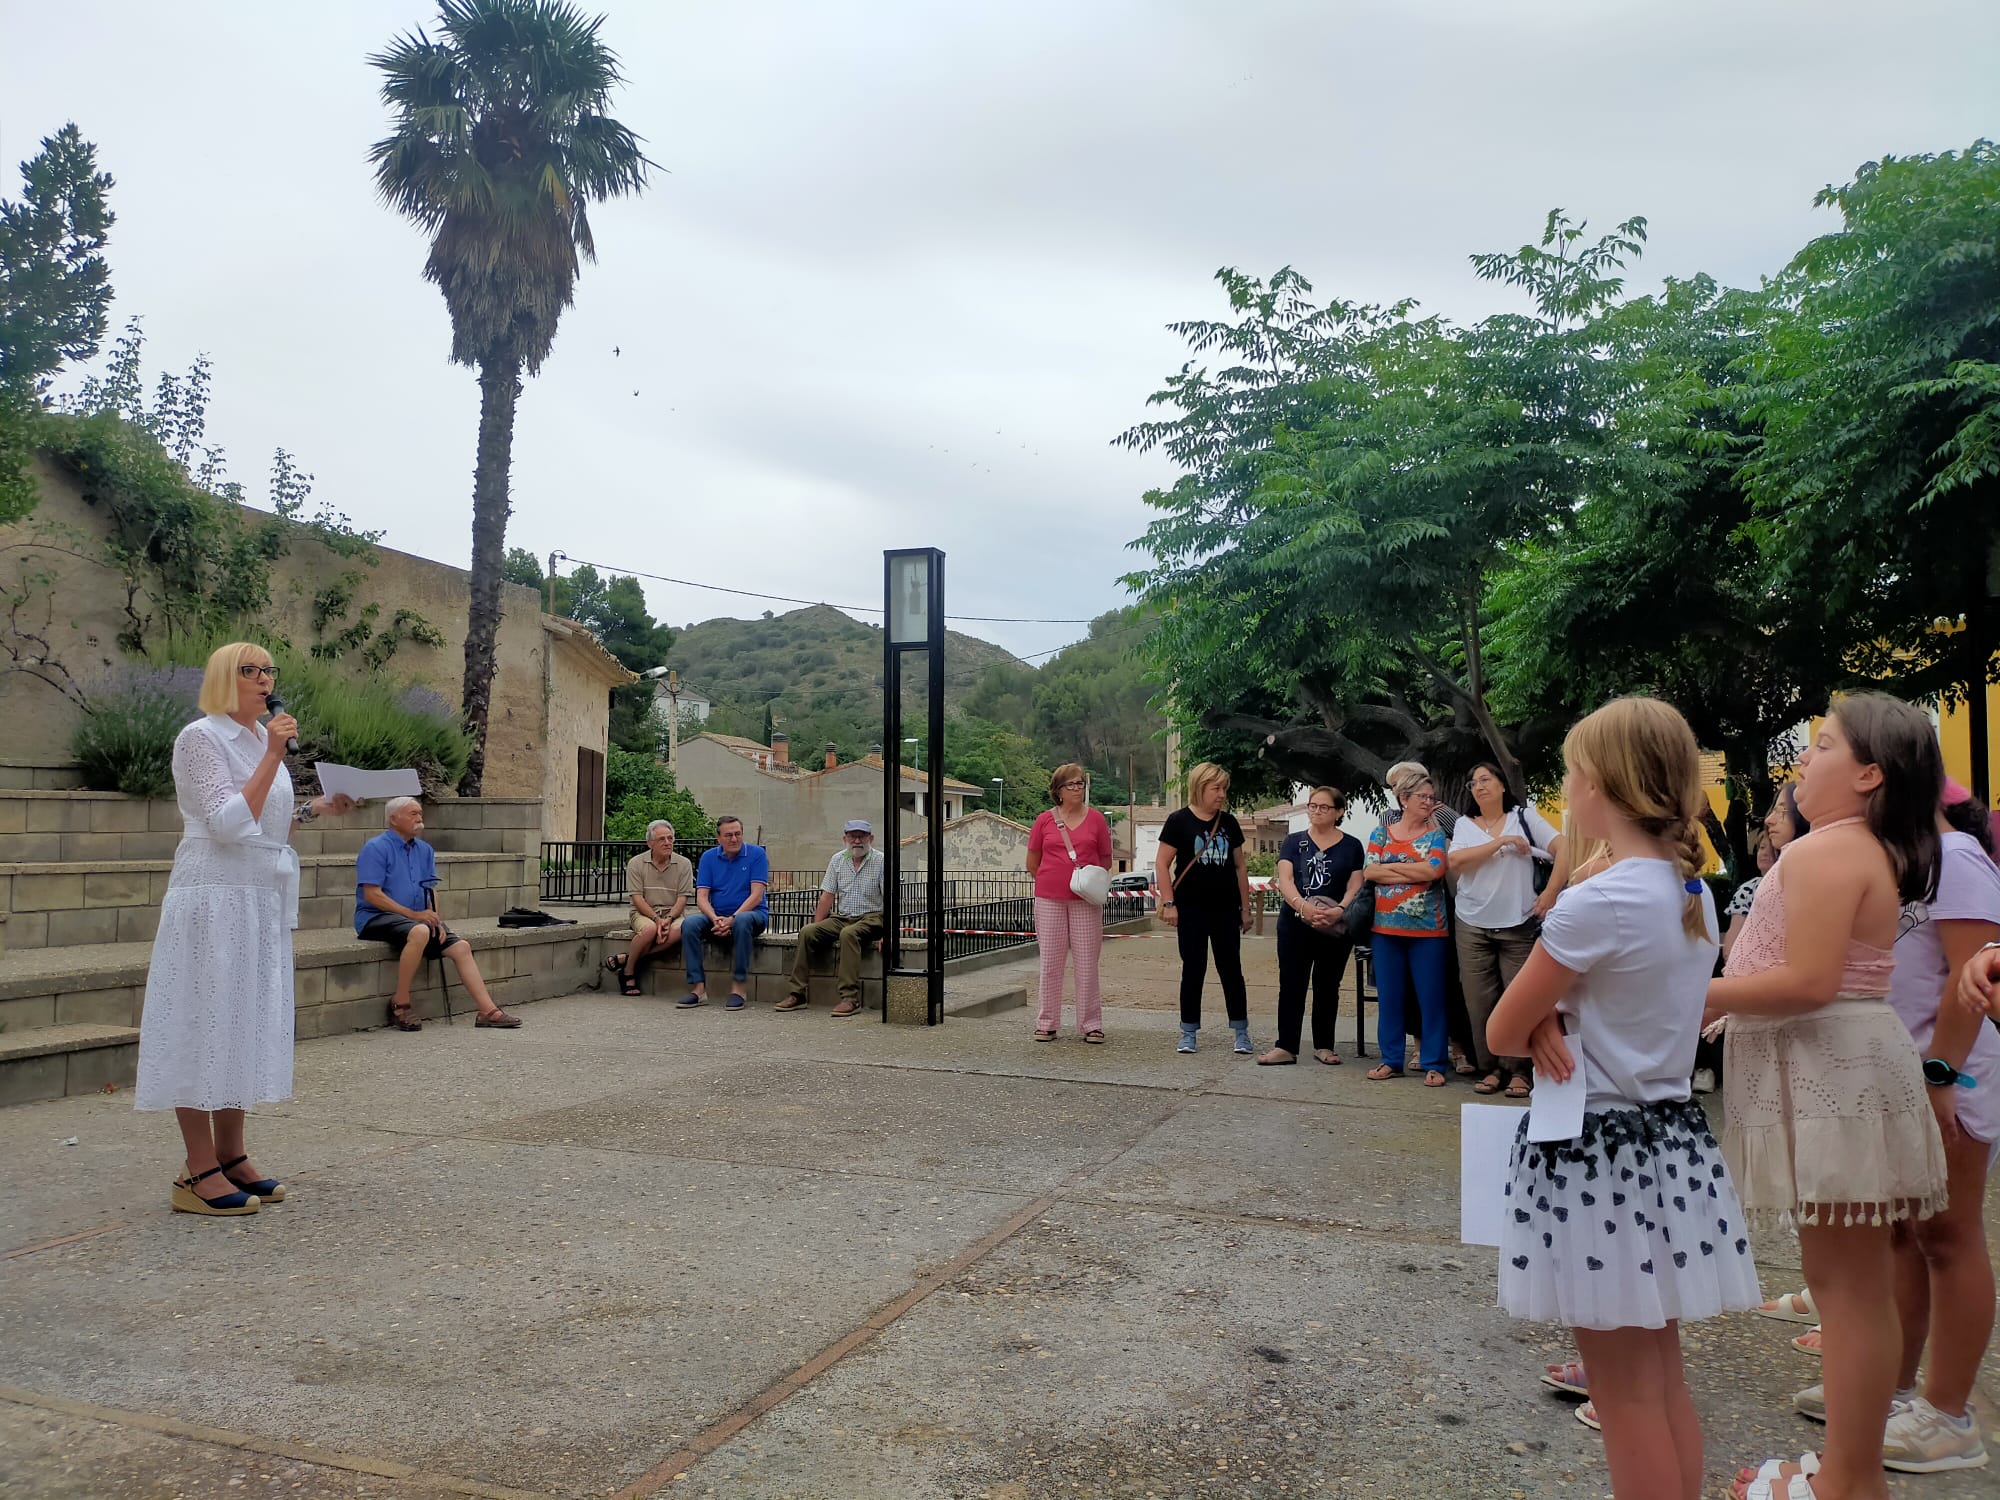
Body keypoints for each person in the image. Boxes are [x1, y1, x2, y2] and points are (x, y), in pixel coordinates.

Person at [1490, 696, 1760, 1495]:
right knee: (1661, 1377)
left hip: (1596, 1157)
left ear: (1603, 786)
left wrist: (1543, 1021)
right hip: (1670, 1147)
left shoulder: (1596, 902)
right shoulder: (1691, 893)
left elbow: (1502, 1027)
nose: (1566, 792)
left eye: (1571, 776)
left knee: (1622, 1391)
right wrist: (1551, 1018)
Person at [1705, 693, 1949, 1500]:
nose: (1801, 760)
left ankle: (1850, 1479)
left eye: (1822, 745)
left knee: (1845, 1292)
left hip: (1829, 1069)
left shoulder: (1823, 853)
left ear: (1870, 773)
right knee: (1854, 1288)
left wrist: (1695, 996)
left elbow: (1808, 981)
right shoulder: (1859, 850)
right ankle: (1852, 1467)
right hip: (1845, 1064)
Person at [1782, 776, 1997, 1473]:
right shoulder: (1902, 857)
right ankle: (1894, 1391)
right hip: (1902, 1077)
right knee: (1903, 1234)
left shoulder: (1955, 855)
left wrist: (1942, 1079)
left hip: (1950, 1075)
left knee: (1948, 1234)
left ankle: (1948, 1416)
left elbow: (1972, 977)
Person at [135, 641, 355, 1216]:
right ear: (222, 680)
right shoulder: (200, 738)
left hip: (257, 898)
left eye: (268, 670)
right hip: (213, 897)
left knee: (237, 1021)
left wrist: (315, 810)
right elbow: (228, 823)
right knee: (201, 1021)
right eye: (249, 670)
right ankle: (196, 1169)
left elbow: (268, 825)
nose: (263, 679)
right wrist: (274, 758)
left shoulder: (261, 741)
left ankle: (232, 1157)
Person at [1450, 763, 1568, 1098]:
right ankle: (1490, 1068)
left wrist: (1551, 892)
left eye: (1486, 779)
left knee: (1518, 1000)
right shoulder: (1464, 824)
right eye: (1473, 782)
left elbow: (1565, 849)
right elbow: (1456, 861)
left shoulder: (1525, 817)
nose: (1479, 787)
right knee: (1479, 1000)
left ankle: (1520, 1071)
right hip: (1472, 922)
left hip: (1518, 922)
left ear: (1503, 785)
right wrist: (1499, 843)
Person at [356, 798, 522, 1031]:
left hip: (415, 919)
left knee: (461, 946)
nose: (419, 818)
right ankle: (400, 1003)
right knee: (421, 931)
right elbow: (372, 895)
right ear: (393, 819)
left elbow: (431, 889)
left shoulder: (425, 850)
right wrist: (414, 916)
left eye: (420, 813)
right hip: (375, 917)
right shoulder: (375, 848)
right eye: (412, 814)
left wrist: (436, 919)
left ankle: (488, 1011)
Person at [1257, 786, 1364, 1066]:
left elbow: (1355, 884)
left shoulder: (1352, 846)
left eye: (1324, 807)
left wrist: (1339, 910)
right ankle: (1286, 1045)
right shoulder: (1294, 842)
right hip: (1296, 922)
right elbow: (1286, 879)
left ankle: (1324, 1045)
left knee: (1328, 984)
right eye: (1312, 806)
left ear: (1339, 812)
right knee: (1292, 983)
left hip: (1334, 925)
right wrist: (1304, 908)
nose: (1316, 811)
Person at [1156, 762, 1254, 1055]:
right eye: (1216, 788)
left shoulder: (1230, 823)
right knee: (1193, 969)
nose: (1222, 794)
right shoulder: (1178, 821)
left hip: (1225, 909)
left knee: (1231, 969)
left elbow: (1239, 866)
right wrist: (1169, 902)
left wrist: (1245, 908)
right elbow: (1162, 863)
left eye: (1224, 788)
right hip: (1190, 909)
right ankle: (1188, 1031)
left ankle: (1241, 1030)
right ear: (1200, 788)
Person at [1364, 767, 1452, 1085]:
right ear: (1404, 799)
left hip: (1428, 931)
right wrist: (1413, 868)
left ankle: (1435, 1063)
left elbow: (1435, 870)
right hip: (1385, 931)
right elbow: (1370, 873)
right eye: (1422, 797)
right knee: (1390, 998)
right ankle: (1390, 1060)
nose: (1429, 802)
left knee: (1431, 999)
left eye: (1431, 797)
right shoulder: (1381, 833)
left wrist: (1392, 867)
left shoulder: (1436, 835)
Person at [1026, 765, 1114, 1042]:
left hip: (1085, 900)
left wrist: (1083, 879)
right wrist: (1055, 877)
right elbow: (1032, 862)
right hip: (1049, 898)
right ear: (1058, 791)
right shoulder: (1044, 821)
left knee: (1087, 962)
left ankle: (1091, 1024)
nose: (1077, 789)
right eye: (1070, 785)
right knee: (1051, 962)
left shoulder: (1097, 820)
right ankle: (1047, 1021)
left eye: (1080, 784)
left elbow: (1106, 860)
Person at [779, 819, 885, 1018]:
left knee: (848, 934)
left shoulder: (881, 860)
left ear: (871, 838)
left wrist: (891, 933)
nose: (857, 841)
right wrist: (818, 927)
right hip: (843, 916)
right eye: (852, 836)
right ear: (845, 838)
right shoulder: (837, 860)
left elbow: (892, 898)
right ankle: (797, 993)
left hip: (872, 917)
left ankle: (850, 998)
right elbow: (827, 896)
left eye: (861, 836)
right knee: (807, 932)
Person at [678, 815, 769, 1008]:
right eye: (729, 835)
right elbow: (701, 896)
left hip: (751, 916)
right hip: (717, 916)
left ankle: (739, 988)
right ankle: (698, 989)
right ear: (719, 838)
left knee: (743, 920)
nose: (734, 839)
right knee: (690, 924)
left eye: (738, 834)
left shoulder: (757, 854)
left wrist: (733, 919)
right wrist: (715, 918)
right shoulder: (709, 857)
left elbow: (756, 896)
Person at [607, 820, 693, 996]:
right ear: (650, 843)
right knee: (649, 930)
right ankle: (629, 972)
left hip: (673, 914)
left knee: (681, 930)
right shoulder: (636, 863)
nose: (668, 843)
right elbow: (637, 899)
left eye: (670, 838)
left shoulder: (684, 864)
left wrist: (668, 919)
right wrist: (656, 919)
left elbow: (682, 899)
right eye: (662, 839)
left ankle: (627, 960)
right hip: (643, 913)